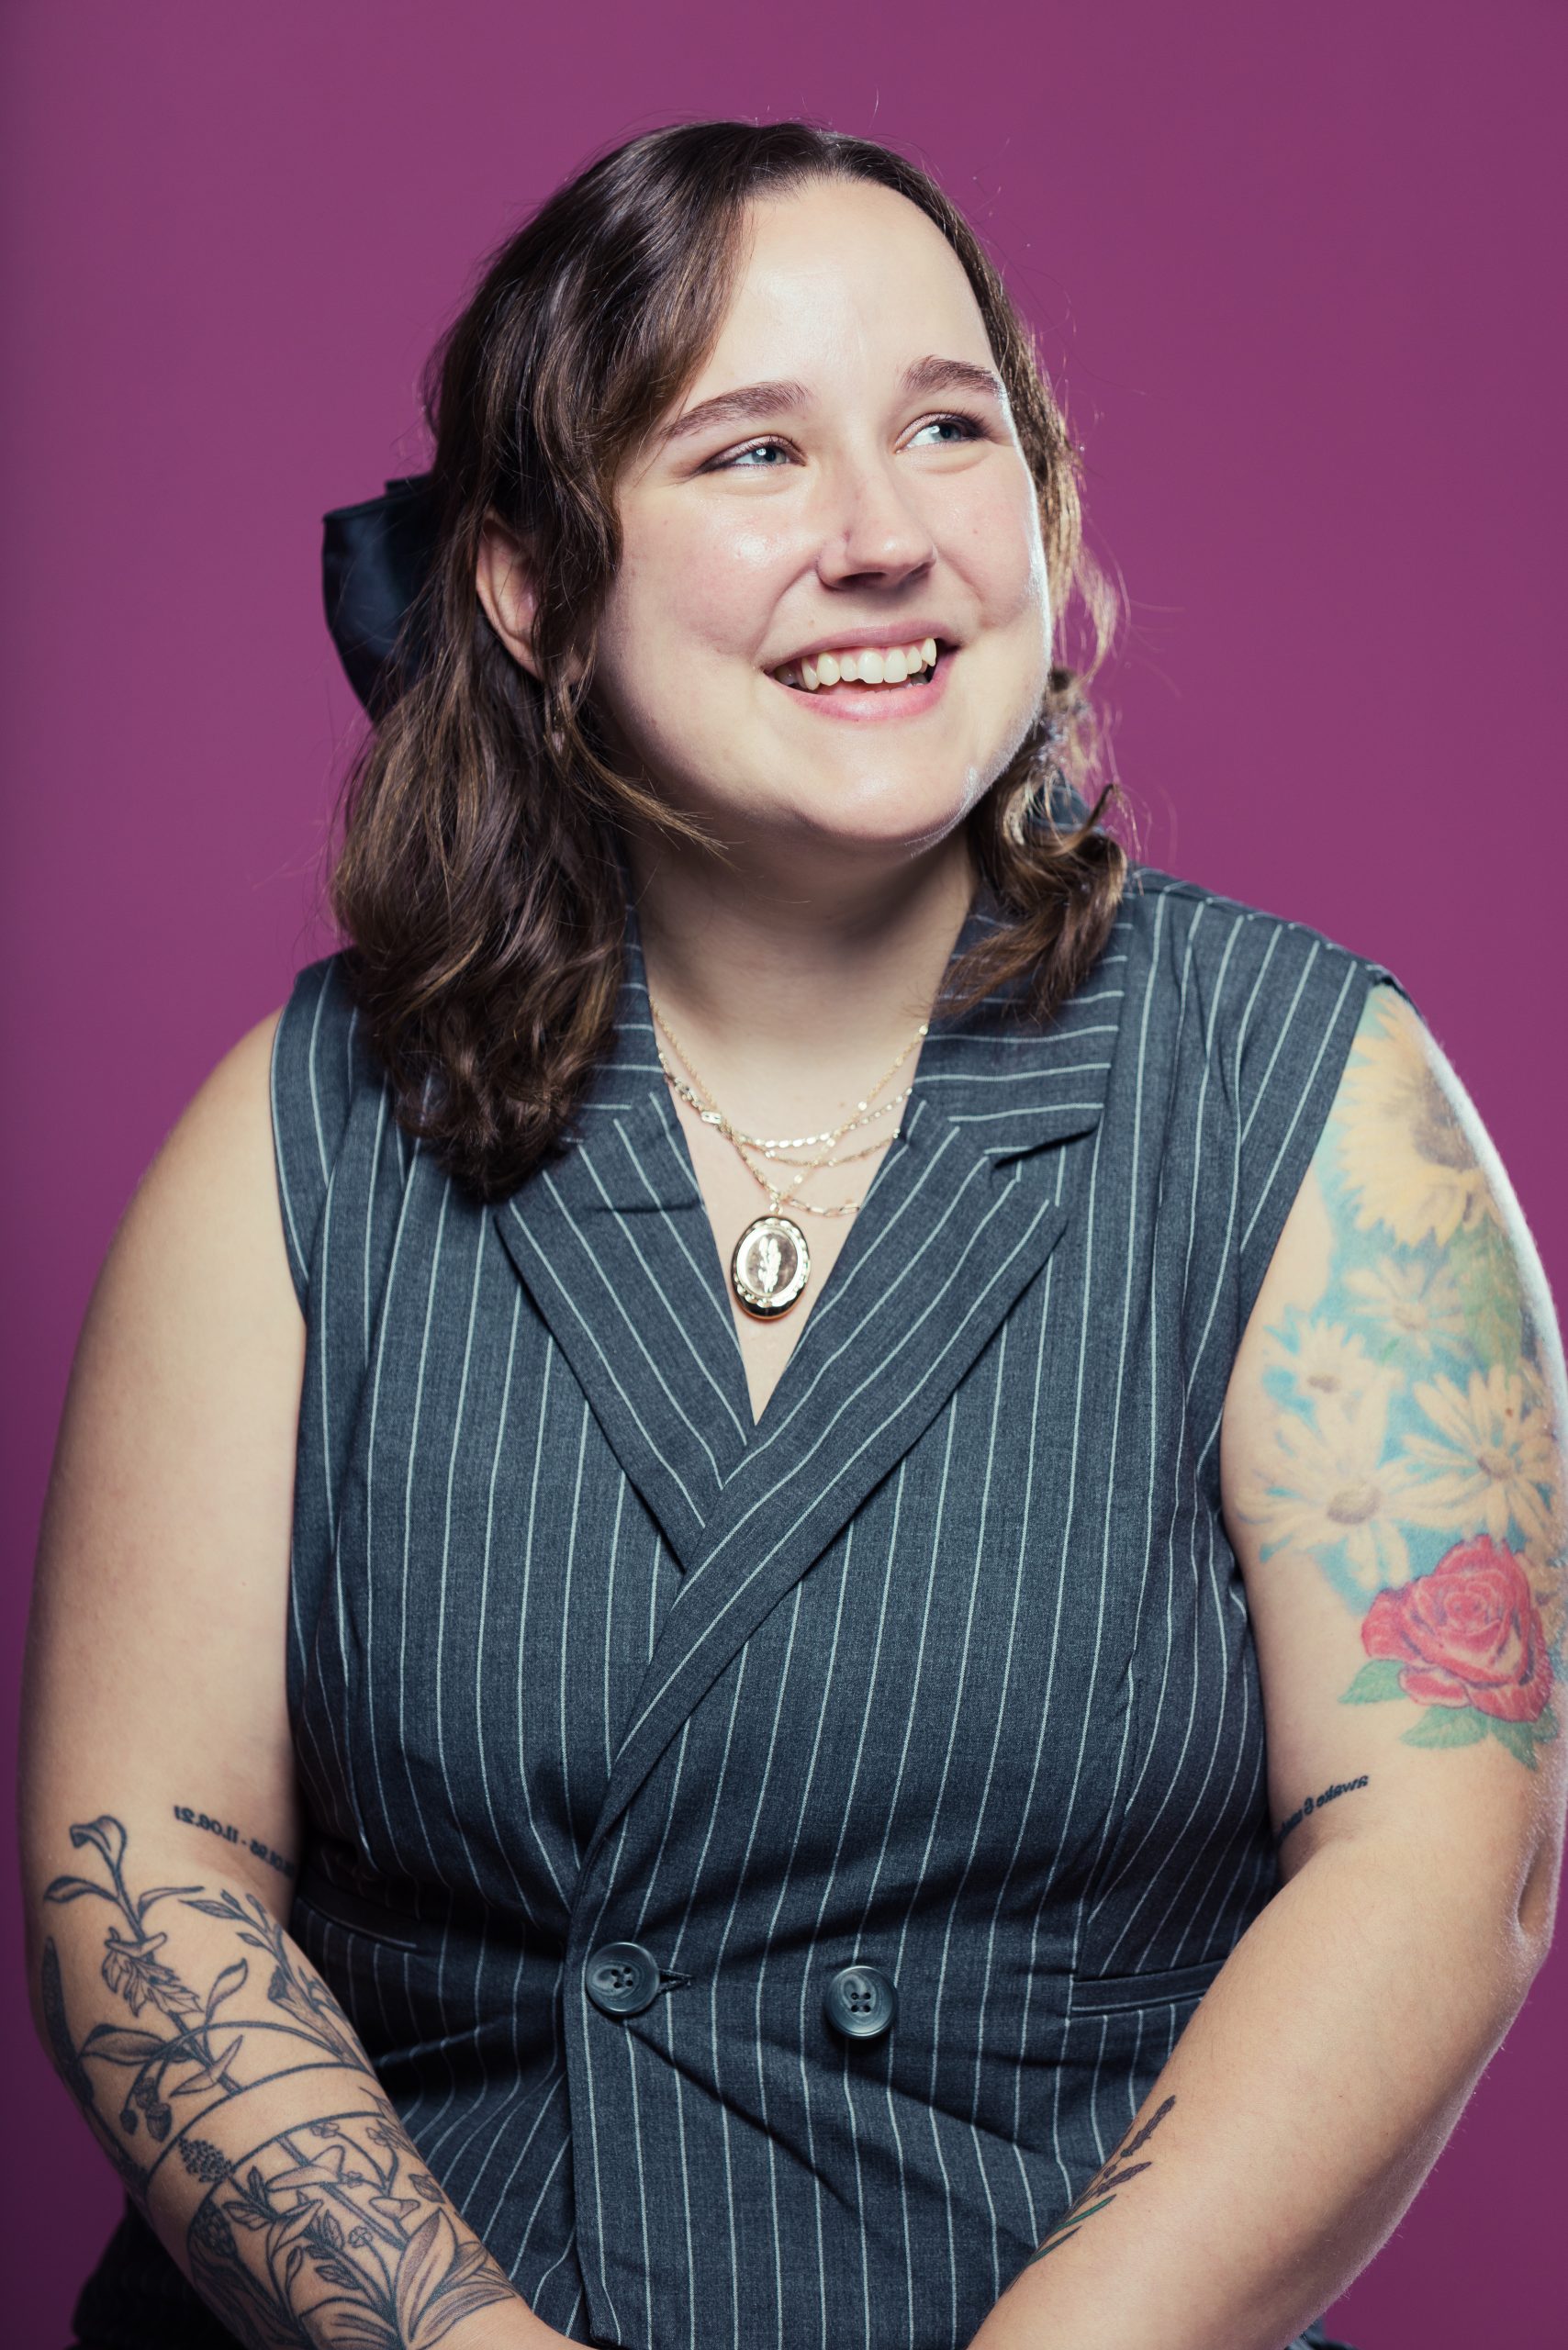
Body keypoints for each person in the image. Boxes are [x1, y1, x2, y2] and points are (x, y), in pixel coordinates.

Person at [18, 118, 1565, 2350]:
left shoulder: (1304, 1094)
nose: (883, 537)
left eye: (949, 427)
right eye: (750, 452)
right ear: (530, 586)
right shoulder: (298, 1131)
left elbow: (1436, 1859)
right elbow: (143, 1875)